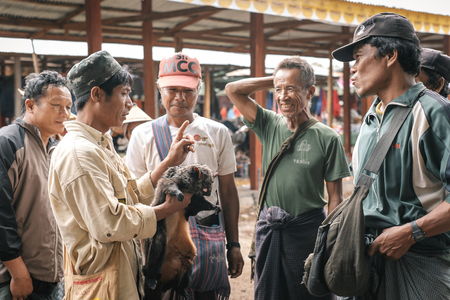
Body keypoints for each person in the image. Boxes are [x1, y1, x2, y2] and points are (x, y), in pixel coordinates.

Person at [48, 50, 196, 299]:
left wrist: (168, 162)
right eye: (124, 94)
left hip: (116, 277)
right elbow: (110, 223)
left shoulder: (100, 143)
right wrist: (165, 210)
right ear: (97, 94)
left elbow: (129, 194)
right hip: (101, 286)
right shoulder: (80, 153)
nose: (131, 103)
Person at [332, 12, 450, 299]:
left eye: (359, 57)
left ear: (390, 55)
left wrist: (411, 233)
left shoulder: (433, 112)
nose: (352, 70)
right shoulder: (372, 117)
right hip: (366, 262)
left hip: (420, 262)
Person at [225, 56, 350, 299]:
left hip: (307, 232)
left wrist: (330, 242)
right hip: (270, 230)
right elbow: (233, 90)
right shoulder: (268, 123)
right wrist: (275, 79)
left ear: (310, 91)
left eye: (291, 88)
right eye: (278, 90)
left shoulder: (328, 138)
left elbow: (336, 197)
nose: (283, 96)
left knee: (309, 293)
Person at [127, 52, 244, 300]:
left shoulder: (218, 132)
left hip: (206, 243)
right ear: (160, 87)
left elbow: (227, 192)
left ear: (199, 89)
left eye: (188, 90)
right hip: (159, 248)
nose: (180, 97)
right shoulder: (142, 135)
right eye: (172, 89)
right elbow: (134, 196)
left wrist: (233, 245)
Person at [0, 71, 72, 300]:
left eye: (69, 107)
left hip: (51, 277)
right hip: (15, 279)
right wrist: (18, 274)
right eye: (56, 105)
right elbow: (2, 215)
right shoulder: (8, 143)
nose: (65, 113)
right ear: (30, 105)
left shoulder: (55, 148)